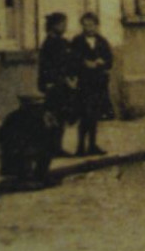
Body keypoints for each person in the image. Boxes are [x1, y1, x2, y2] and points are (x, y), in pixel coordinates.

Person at [70, 12, 114, 156]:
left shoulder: (102, 41)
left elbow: (110, 61)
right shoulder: (77, 41)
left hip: (98, 83)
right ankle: (80, 146)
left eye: (91, 25)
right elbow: (72, 59)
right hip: (84, 83)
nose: (88, 28)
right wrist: (84, 63)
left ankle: (92, 145)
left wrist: (103, 62)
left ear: (96, 25)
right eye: (85, 25)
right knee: (84, 114)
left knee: (95, 115)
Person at [37, 11, 75, 159]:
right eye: (62, 24)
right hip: (53, 84)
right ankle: (51, 147)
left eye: (65, 24)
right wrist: (51, 82)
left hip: (62, 83)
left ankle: (57, 146)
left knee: (62, 115)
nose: (64, 27)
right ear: (53, 26)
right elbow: (48, 66)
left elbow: (69, 61)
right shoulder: (49, 43)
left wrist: (71, 78)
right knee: (54, 115)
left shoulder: (62, 42)